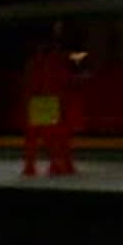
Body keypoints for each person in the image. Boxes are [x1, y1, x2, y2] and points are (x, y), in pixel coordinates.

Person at [22, 23, 75, 176]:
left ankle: (36, 165)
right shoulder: (55, 61)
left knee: (40, 136)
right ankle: (58, 164)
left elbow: (30, 83)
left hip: (41, 100)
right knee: (54, 136)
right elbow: (64, 81)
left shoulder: (36, 62)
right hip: (50, 99)